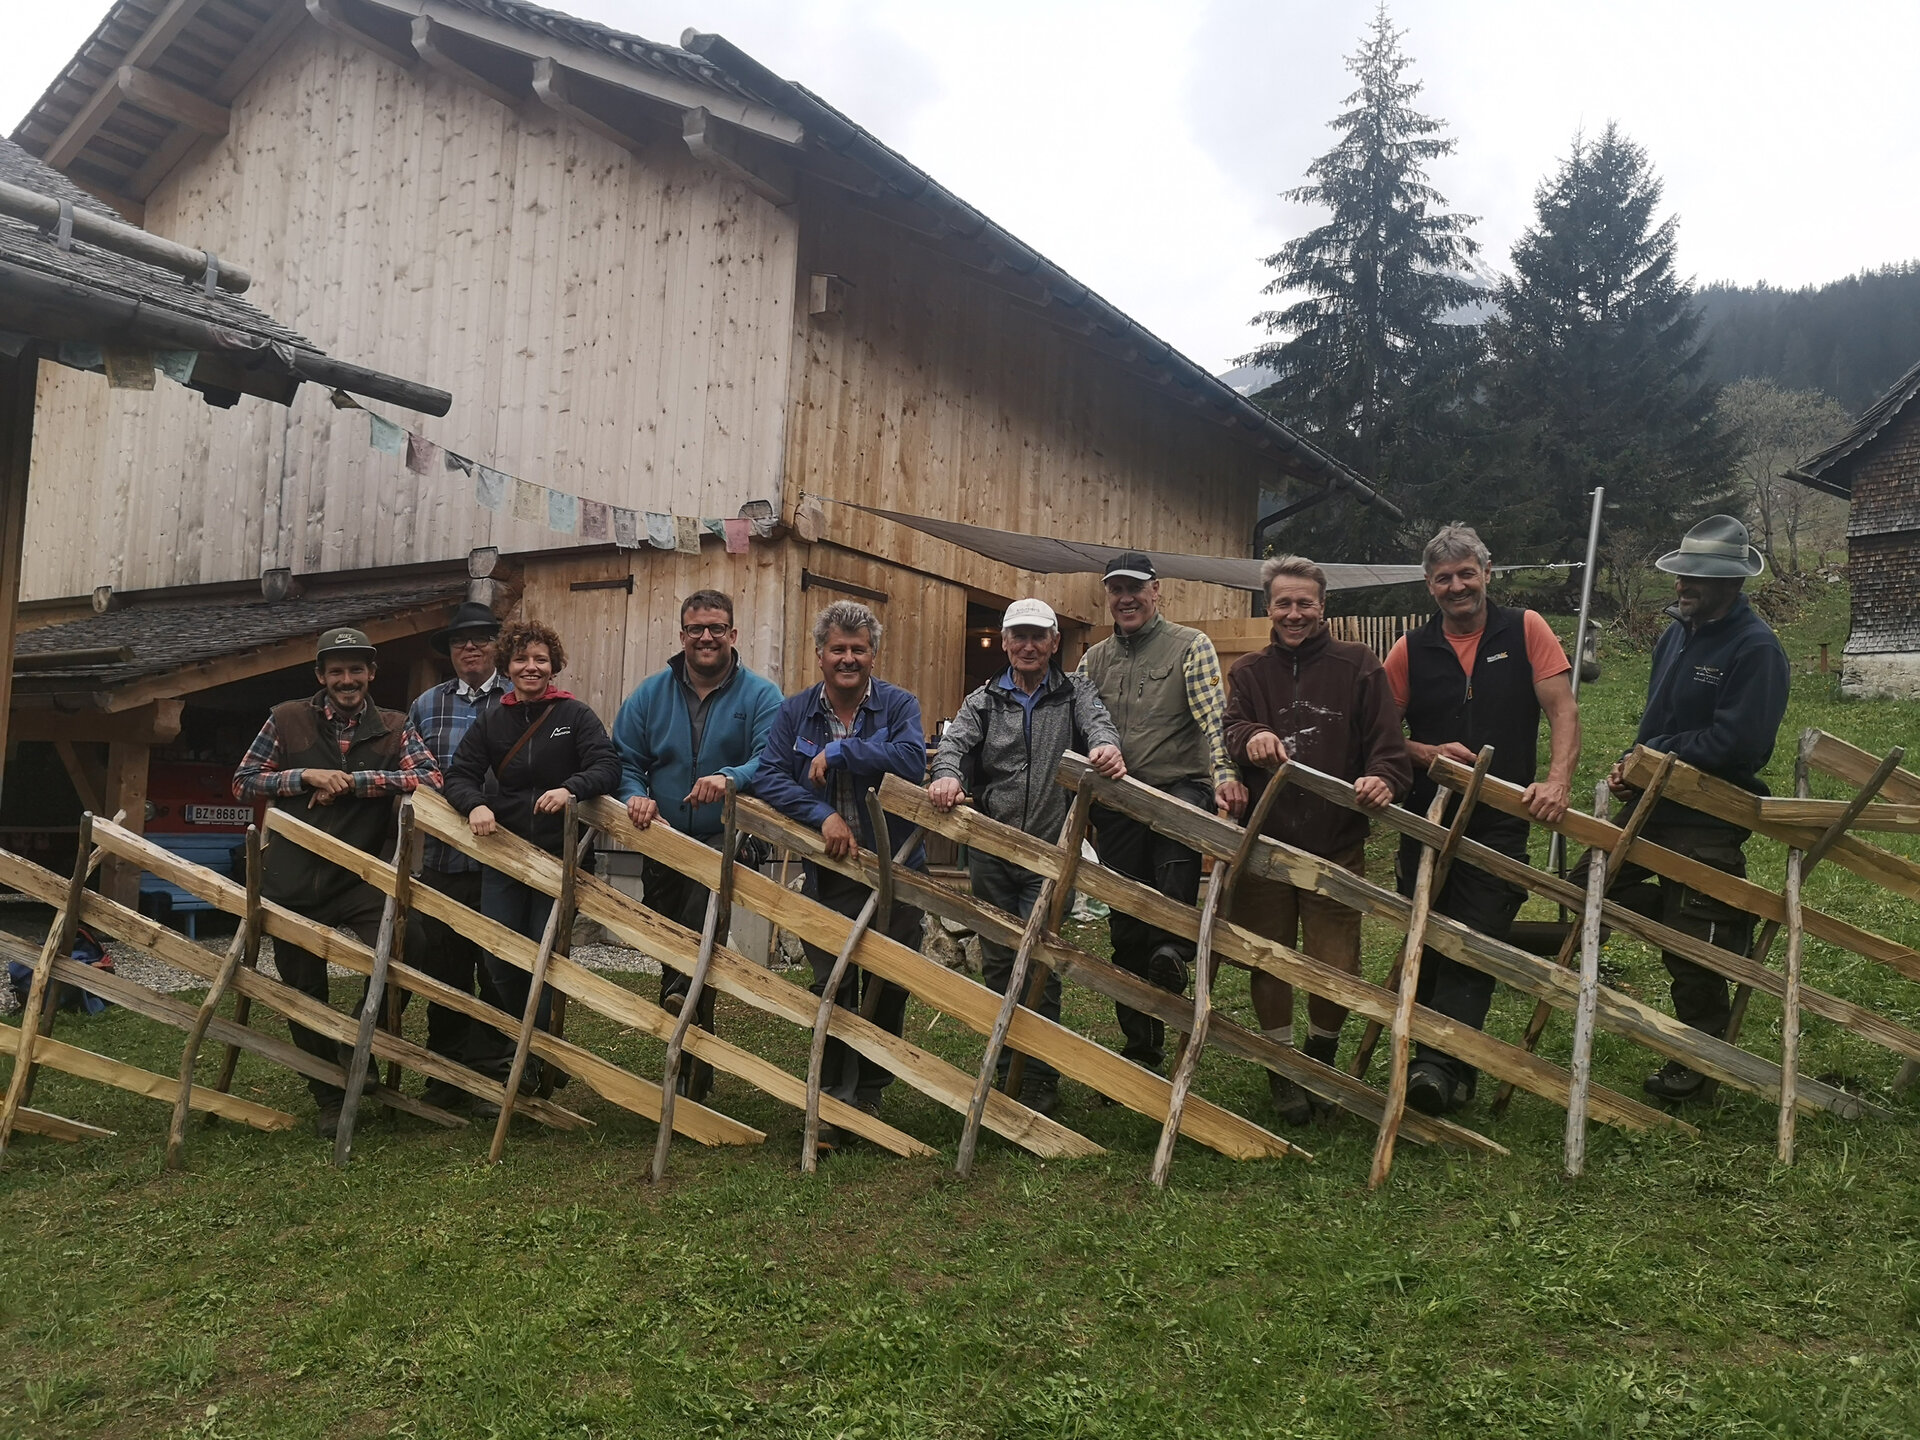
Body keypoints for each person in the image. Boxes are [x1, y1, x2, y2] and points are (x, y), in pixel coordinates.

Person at [1382, 523, 1579, 1116]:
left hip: (1501, 814)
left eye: (1467, 573)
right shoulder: (1409, 649)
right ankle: (1445, 1065)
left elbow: (1563, 710)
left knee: (1478, 933)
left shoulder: (1525, 629)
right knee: (1429, 934)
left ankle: (1435, 1068)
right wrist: (1425, 753)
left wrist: (1557, 781)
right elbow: (1381, 732)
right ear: (1429, 585)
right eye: (1444, 578)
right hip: (1427, 814)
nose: (1457, 586)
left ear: (1487, 574)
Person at [1600, 515, 1790, 1103]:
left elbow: (1738, 744)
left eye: (1696, 577)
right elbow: (1656, 723)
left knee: (1694, 942)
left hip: (1707, 813)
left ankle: (1699, 1063)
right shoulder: (1675, 635)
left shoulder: (1756, 649)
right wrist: (1633, 766)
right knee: (1590, 886)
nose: (1682, 584)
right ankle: (1681, 918)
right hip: (1655, 802)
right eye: (1681, 573)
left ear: (1731, 582)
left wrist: (1656, 753)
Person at [232, 627, 441, 1138]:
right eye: (337, 671)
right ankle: (328, 1093)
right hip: (292, 875)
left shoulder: (394, 726)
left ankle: (353, 1045)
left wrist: (355, 783)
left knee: (410, 946)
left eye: (356, 670)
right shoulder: (286, 718)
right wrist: (305, 776)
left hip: (360, 872)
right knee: (303, 989)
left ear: (372, 673)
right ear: (321, 676)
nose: (347, 680)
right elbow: (244, 781)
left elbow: (430, 779)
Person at [1225, 556, 1411, 1124]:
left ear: (1323, 606)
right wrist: (1251, 736)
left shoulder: (1358, 665)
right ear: (1269, 608)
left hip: (1336, 842)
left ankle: (1320, 1054)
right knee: (1268, 956)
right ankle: (1281, 1067)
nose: (1294, 613)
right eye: (1284, 603)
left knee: (1337, 962)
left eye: (1305, 603)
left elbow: (1388, 747)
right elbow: (1229, 730)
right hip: (1267, 845)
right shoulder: (1250, 672)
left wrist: (1383, 778)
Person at [928, 597, 1127, 1116]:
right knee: (998, 959)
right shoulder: (984, 700)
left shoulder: (1075, 692)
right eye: (1019, 635)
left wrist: (1105, 747)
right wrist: (946, 775)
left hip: (1048, 851)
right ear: (1005, 641)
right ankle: (1005, 1067)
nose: (1029, 645)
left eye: (1039, 636)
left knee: (1042, 962)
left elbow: (1100, 725)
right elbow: (953, 746)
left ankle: (1039, 1078)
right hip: (992, 848)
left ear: (1055, 643)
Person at [750, 600, 927, 1153]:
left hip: (895, 874)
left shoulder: (898, 705)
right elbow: (769, 776)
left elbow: (911, 761)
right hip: (830, 873)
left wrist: (843, 750)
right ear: (820, 654)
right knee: (834, 982)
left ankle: (869, 1094)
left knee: (889, 983)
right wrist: (820, 814)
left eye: (858, 649)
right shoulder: (795, 712)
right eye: (838, 649)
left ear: (873, 655)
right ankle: (831, 1098)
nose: (848, 658)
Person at [1077, 552, 1247, 1072]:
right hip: (1120, 798)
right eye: (1116, 589)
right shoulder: (1093, 660)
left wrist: (1225, 776)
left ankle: (1173, 950)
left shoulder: (1189, 646)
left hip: (1178, 787)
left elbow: (1213, 719)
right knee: (1127, 927)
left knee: (1173, 871)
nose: (1125, 598)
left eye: (1135, 588)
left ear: (1156, 591)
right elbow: (1079, 723)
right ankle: (1141, 1048)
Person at [443, 619, 621, 1084]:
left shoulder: (575, 715)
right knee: (500, 956)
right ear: (507, 666)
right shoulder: (493, 720)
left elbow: (607, 766)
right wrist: (475, 803)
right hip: (506, 853)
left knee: (545, 957)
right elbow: (458, 774)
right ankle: (534, 1046)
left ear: (553, 666)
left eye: (540, 659)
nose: (531, 667)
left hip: (559, 857)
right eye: (521, 659)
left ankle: (537, 1058)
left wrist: (571, 788)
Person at [612, 590, 782, 1019]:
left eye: (716, 628)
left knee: (703, 899)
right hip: (662, 834)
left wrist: (730, 778)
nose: (706, 637)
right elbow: (624, 759)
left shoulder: (762, 696)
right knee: (668, 931)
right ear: (682, 635)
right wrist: (635, 796)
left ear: (732, 634)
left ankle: (682, 1000)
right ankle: (691, 1028)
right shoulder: (650, 694)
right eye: (696, 629)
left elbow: (773, 759)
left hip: (730, 835)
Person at [404, 600, 515, 1107]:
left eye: (481, 638)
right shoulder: (426, 705)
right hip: (444, 860)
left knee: (499, 969)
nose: (469, 647)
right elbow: (414, 773)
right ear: (449, 651)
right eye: (458, 641)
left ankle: (492, 1076)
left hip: (506, 860)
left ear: (497, 646)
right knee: (443, 967)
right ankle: (445, 1075)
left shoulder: (520, 697)